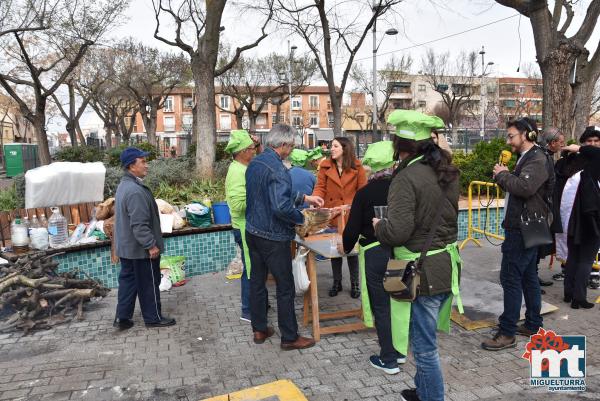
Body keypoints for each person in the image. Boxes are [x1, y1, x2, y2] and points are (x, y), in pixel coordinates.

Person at [374, 110, 462, 401]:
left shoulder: (405, 177)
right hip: (444, 266)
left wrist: (379, 227)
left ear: (399, 146)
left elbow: (398, 231)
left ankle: (433, 397)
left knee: (424, 348)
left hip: (419, 270)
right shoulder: (446, 172)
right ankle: (423, 391)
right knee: (424, 338)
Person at [245, 124, 324, 350]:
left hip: (253, 232)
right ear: (283, 145)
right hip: (273, 237)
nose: (291, 151)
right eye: (291, 146)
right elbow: (280, 206)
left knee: (257, 282)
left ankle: (259, 329)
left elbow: (274, 192)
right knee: (285, 286)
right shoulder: (278, 169)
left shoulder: (256, 162)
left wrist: (305, 198)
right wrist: (302, 218)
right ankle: (289, 337)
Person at [482, 117, 552, 351]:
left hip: (522, 230)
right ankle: (533, 324)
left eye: (512, 136)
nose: (509, 141)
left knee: (510, 277)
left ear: (528, 134)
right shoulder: (528, 158)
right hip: (523, 226)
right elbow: (521, 188)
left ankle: (507, 332)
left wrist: (503, 174)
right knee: (527, 277)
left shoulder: (538, 158)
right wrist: (502, 177)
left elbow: (525, 187)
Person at [340, 140, 406, 375]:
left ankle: (388, 358)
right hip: (401, 252)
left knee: (381, 306)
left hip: (376, 254)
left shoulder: (365, 193)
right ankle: (400, 351)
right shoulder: (404, 187)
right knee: (400, 302)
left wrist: (345, 248)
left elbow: (351, 230)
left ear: (371, 167)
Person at [113, 147, 176, 330]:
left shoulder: (124, 185)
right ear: (132, 166)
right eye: (143, 162)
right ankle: (153, 317)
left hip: (127, 248)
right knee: (148, 283)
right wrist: (150, 245)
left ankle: (122, 318)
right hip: (140, 250)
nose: (146, 165)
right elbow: (139, 224)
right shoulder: (135, 191)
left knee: (128, 283)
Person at [312, 137, 367, 298]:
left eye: (335, 146)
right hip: (333, 213)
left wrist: (351, 206)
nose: (331, 149)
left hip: (351, 214)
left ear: (345, 148)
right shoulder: (325, 165)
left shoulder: (357, 166)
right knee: (335, 249)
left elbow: (363, 192)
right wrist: (316, 199)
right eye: (331, 146)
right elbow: (320, 187)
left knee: (352, 250)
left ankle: (355, 284)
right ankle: (337, 282)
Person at [559, 127, 600, 309]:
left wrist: (577, 149)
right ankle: (578, 298)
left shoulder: (574, 160)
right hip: (590, 219)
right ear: (583, 142)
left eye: (596, 141)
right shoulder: (595, 160)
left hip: (570, 218)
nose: (592, 144)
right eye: (589, 141)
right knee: (584, 259)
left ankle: (568, 293)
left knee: (574, 257)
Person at [225, 130, 256, 322]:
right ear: (243, 151)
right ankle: (248, 310)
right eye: (252, 149)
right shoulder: (237, 171)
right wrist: (260, 198)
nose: (254, 152)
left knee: (254, 268)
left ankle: (256, 303)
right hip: (243, 227)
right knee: (250, 269)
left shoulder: (242, 168)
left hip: (248, 226)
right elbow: (237, 205)